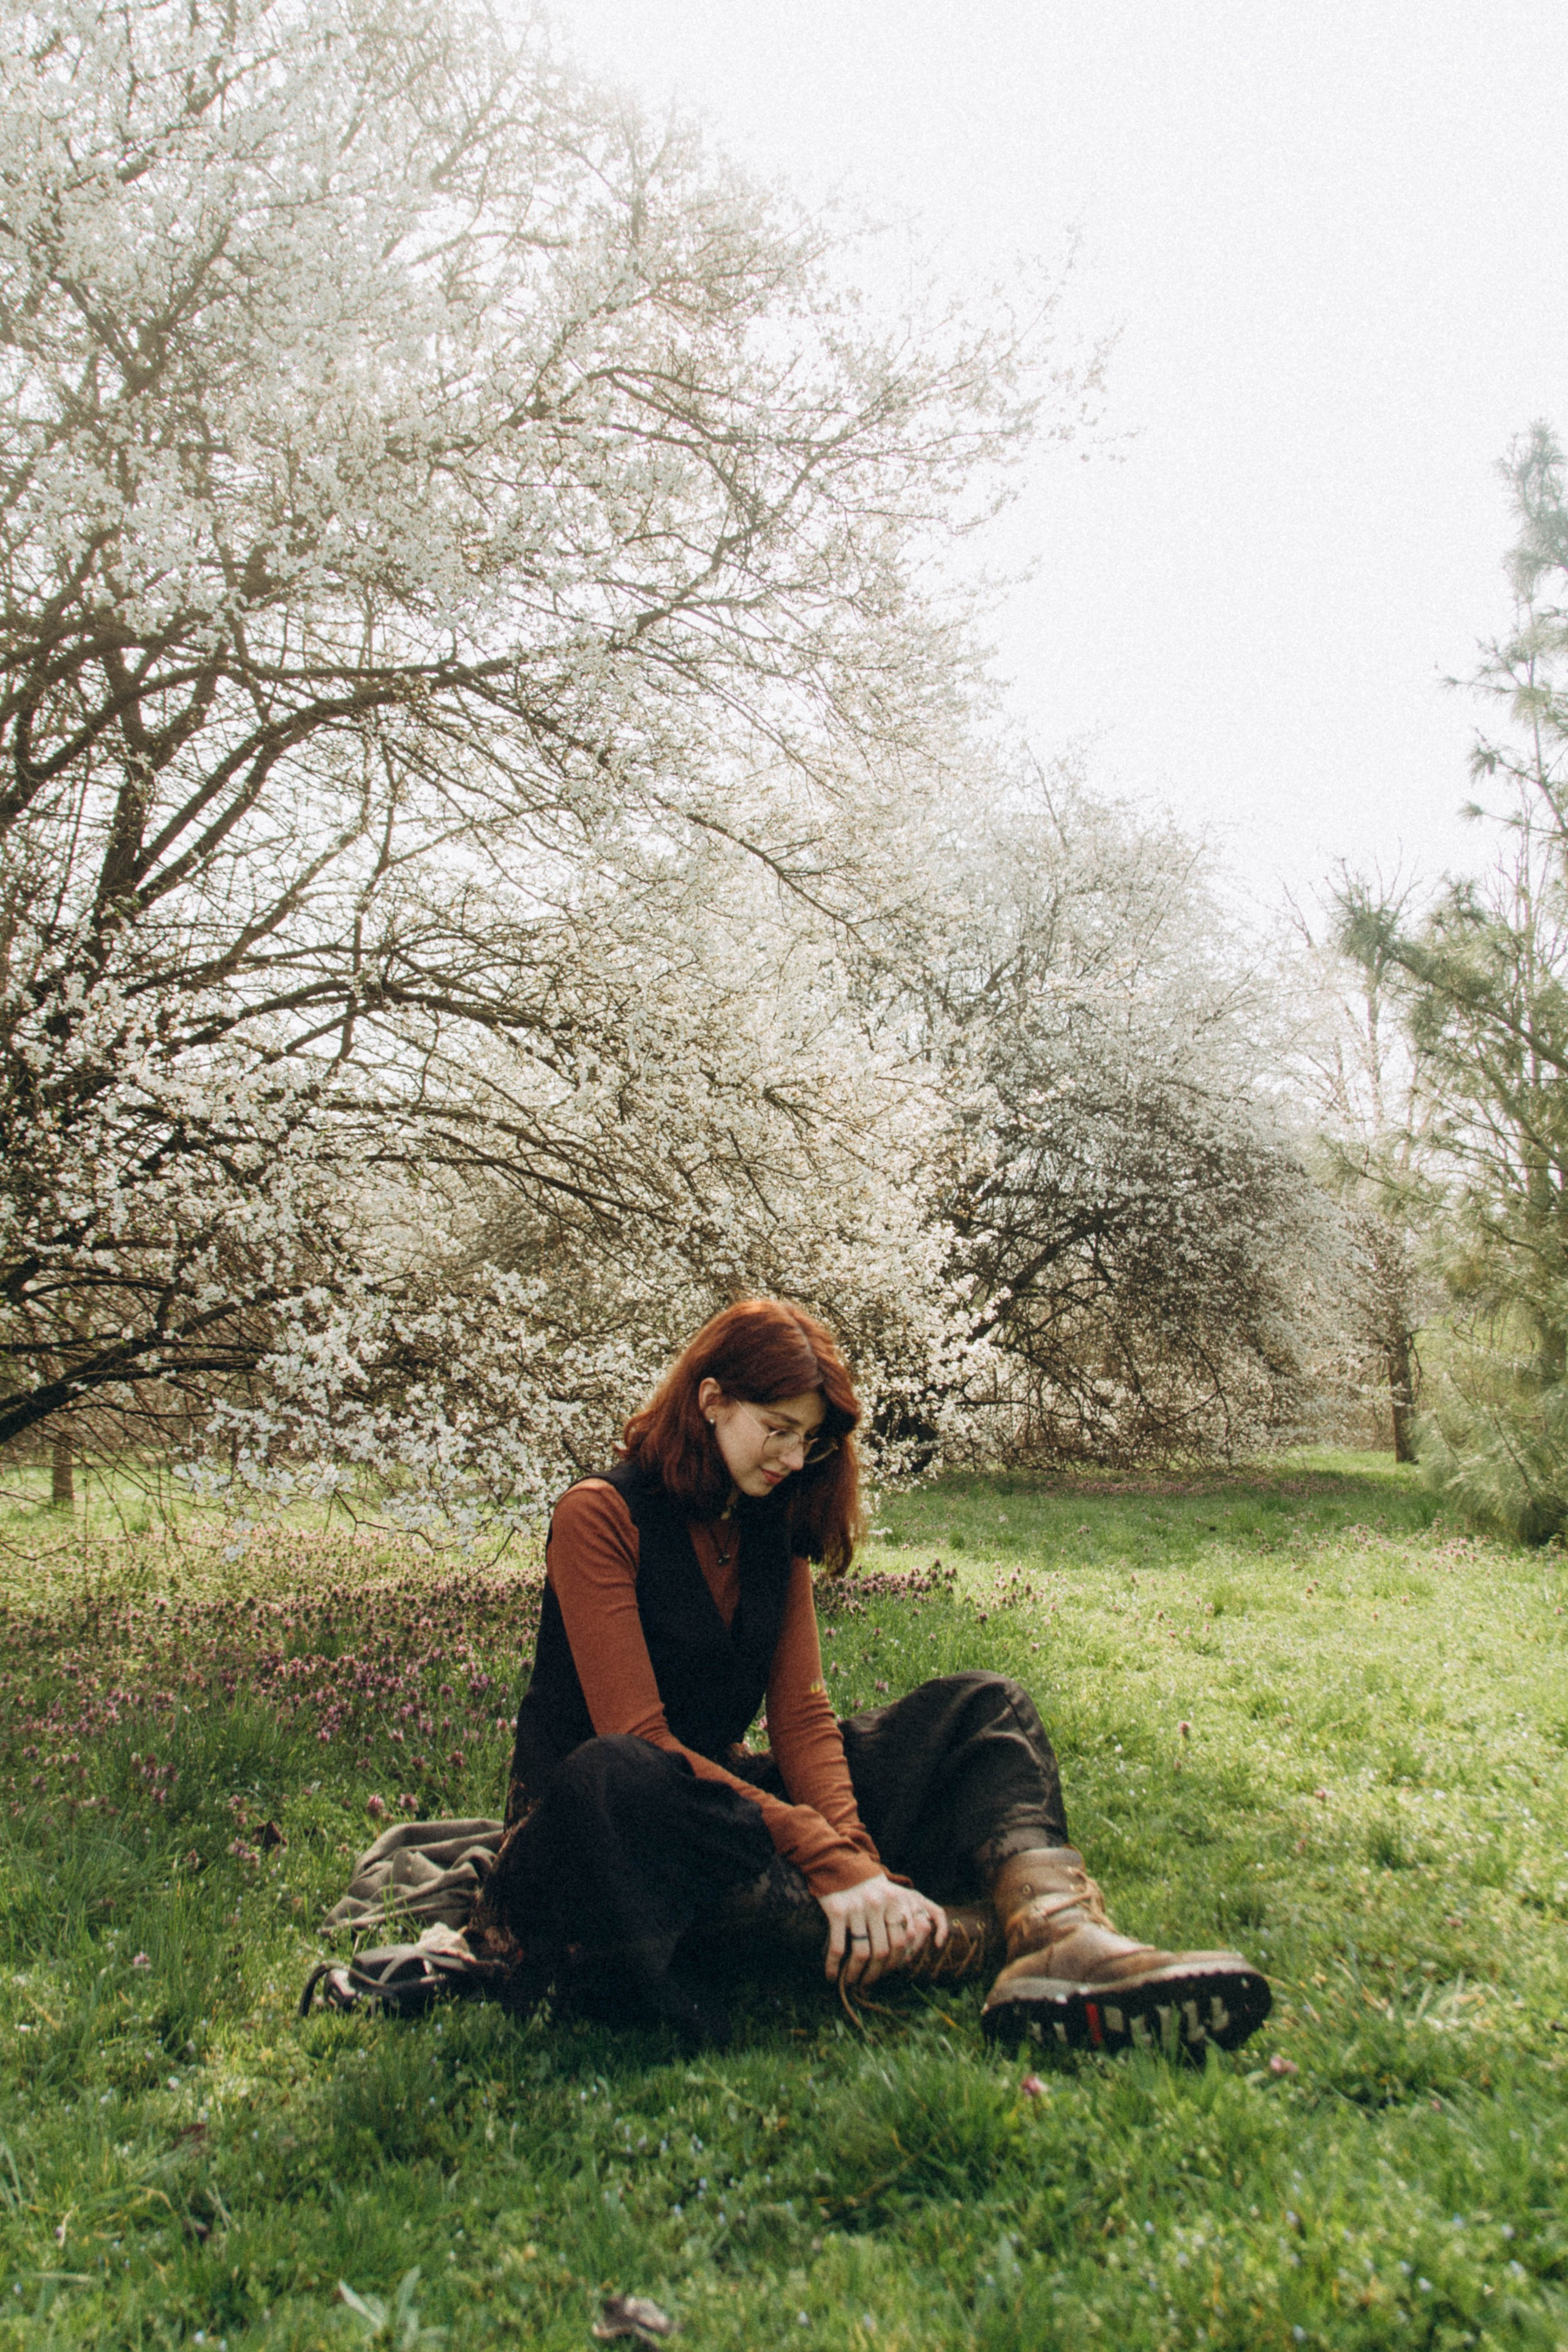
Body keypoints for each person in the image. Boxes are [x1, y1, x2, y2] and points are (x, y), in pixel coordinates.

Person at [476, 1299, 1270, 2055]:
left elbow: (802, 1719)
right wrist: (827, 1859)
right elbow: (637, 1736)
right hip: (599, 1826)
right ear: (712, 1400)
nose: (793, 1459)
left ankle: (1059, 1937)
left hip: (721, 1804)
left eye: (810, 1440)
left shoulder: (771, 1521)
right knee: (619, 1774)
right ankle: (943, 1942)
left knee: (981, 1707)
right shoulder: (599, 1515)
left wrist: (854, 1853)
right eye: (778, 1429)